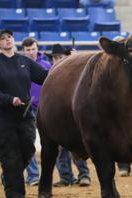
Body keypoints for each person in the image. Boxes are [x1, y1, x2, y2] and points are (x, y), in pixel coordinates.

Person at [0, 29, 48, 198]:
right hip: (0, 117)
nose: (7, 40)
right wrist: (9, 100)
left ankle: (8, 174)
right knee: (10, 154)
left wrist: (65, 63)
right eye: (3, 39)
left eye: (9, 37)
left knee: (28, 150)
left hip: (24, 116)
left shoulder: (24, 61)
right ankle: (15, 194)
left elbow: (46, 77)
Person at [45, 43, 91, 187]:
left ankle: (84, 175)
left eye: (60, 57)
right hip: (58, 116)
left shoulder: (71, 72)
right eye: (55, 58)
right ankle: (66, 177)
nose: (57, 60)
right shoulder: (51, 73)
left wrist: (76, 59)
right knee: (60, 148)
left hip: (72, 115)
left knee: (76, 145)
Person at [22, 37, 52, 186]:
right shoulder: (20, 66)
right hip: (27, 110)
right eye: (28, 50)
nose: (31, 52)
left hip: (44, 110)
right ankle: (33, 176)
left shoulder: (46, 65)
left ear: (37, 48)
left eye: (33, 49)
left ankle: (66, 176)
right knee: (28, 143)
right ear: (24, 51)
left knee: (52, 143)